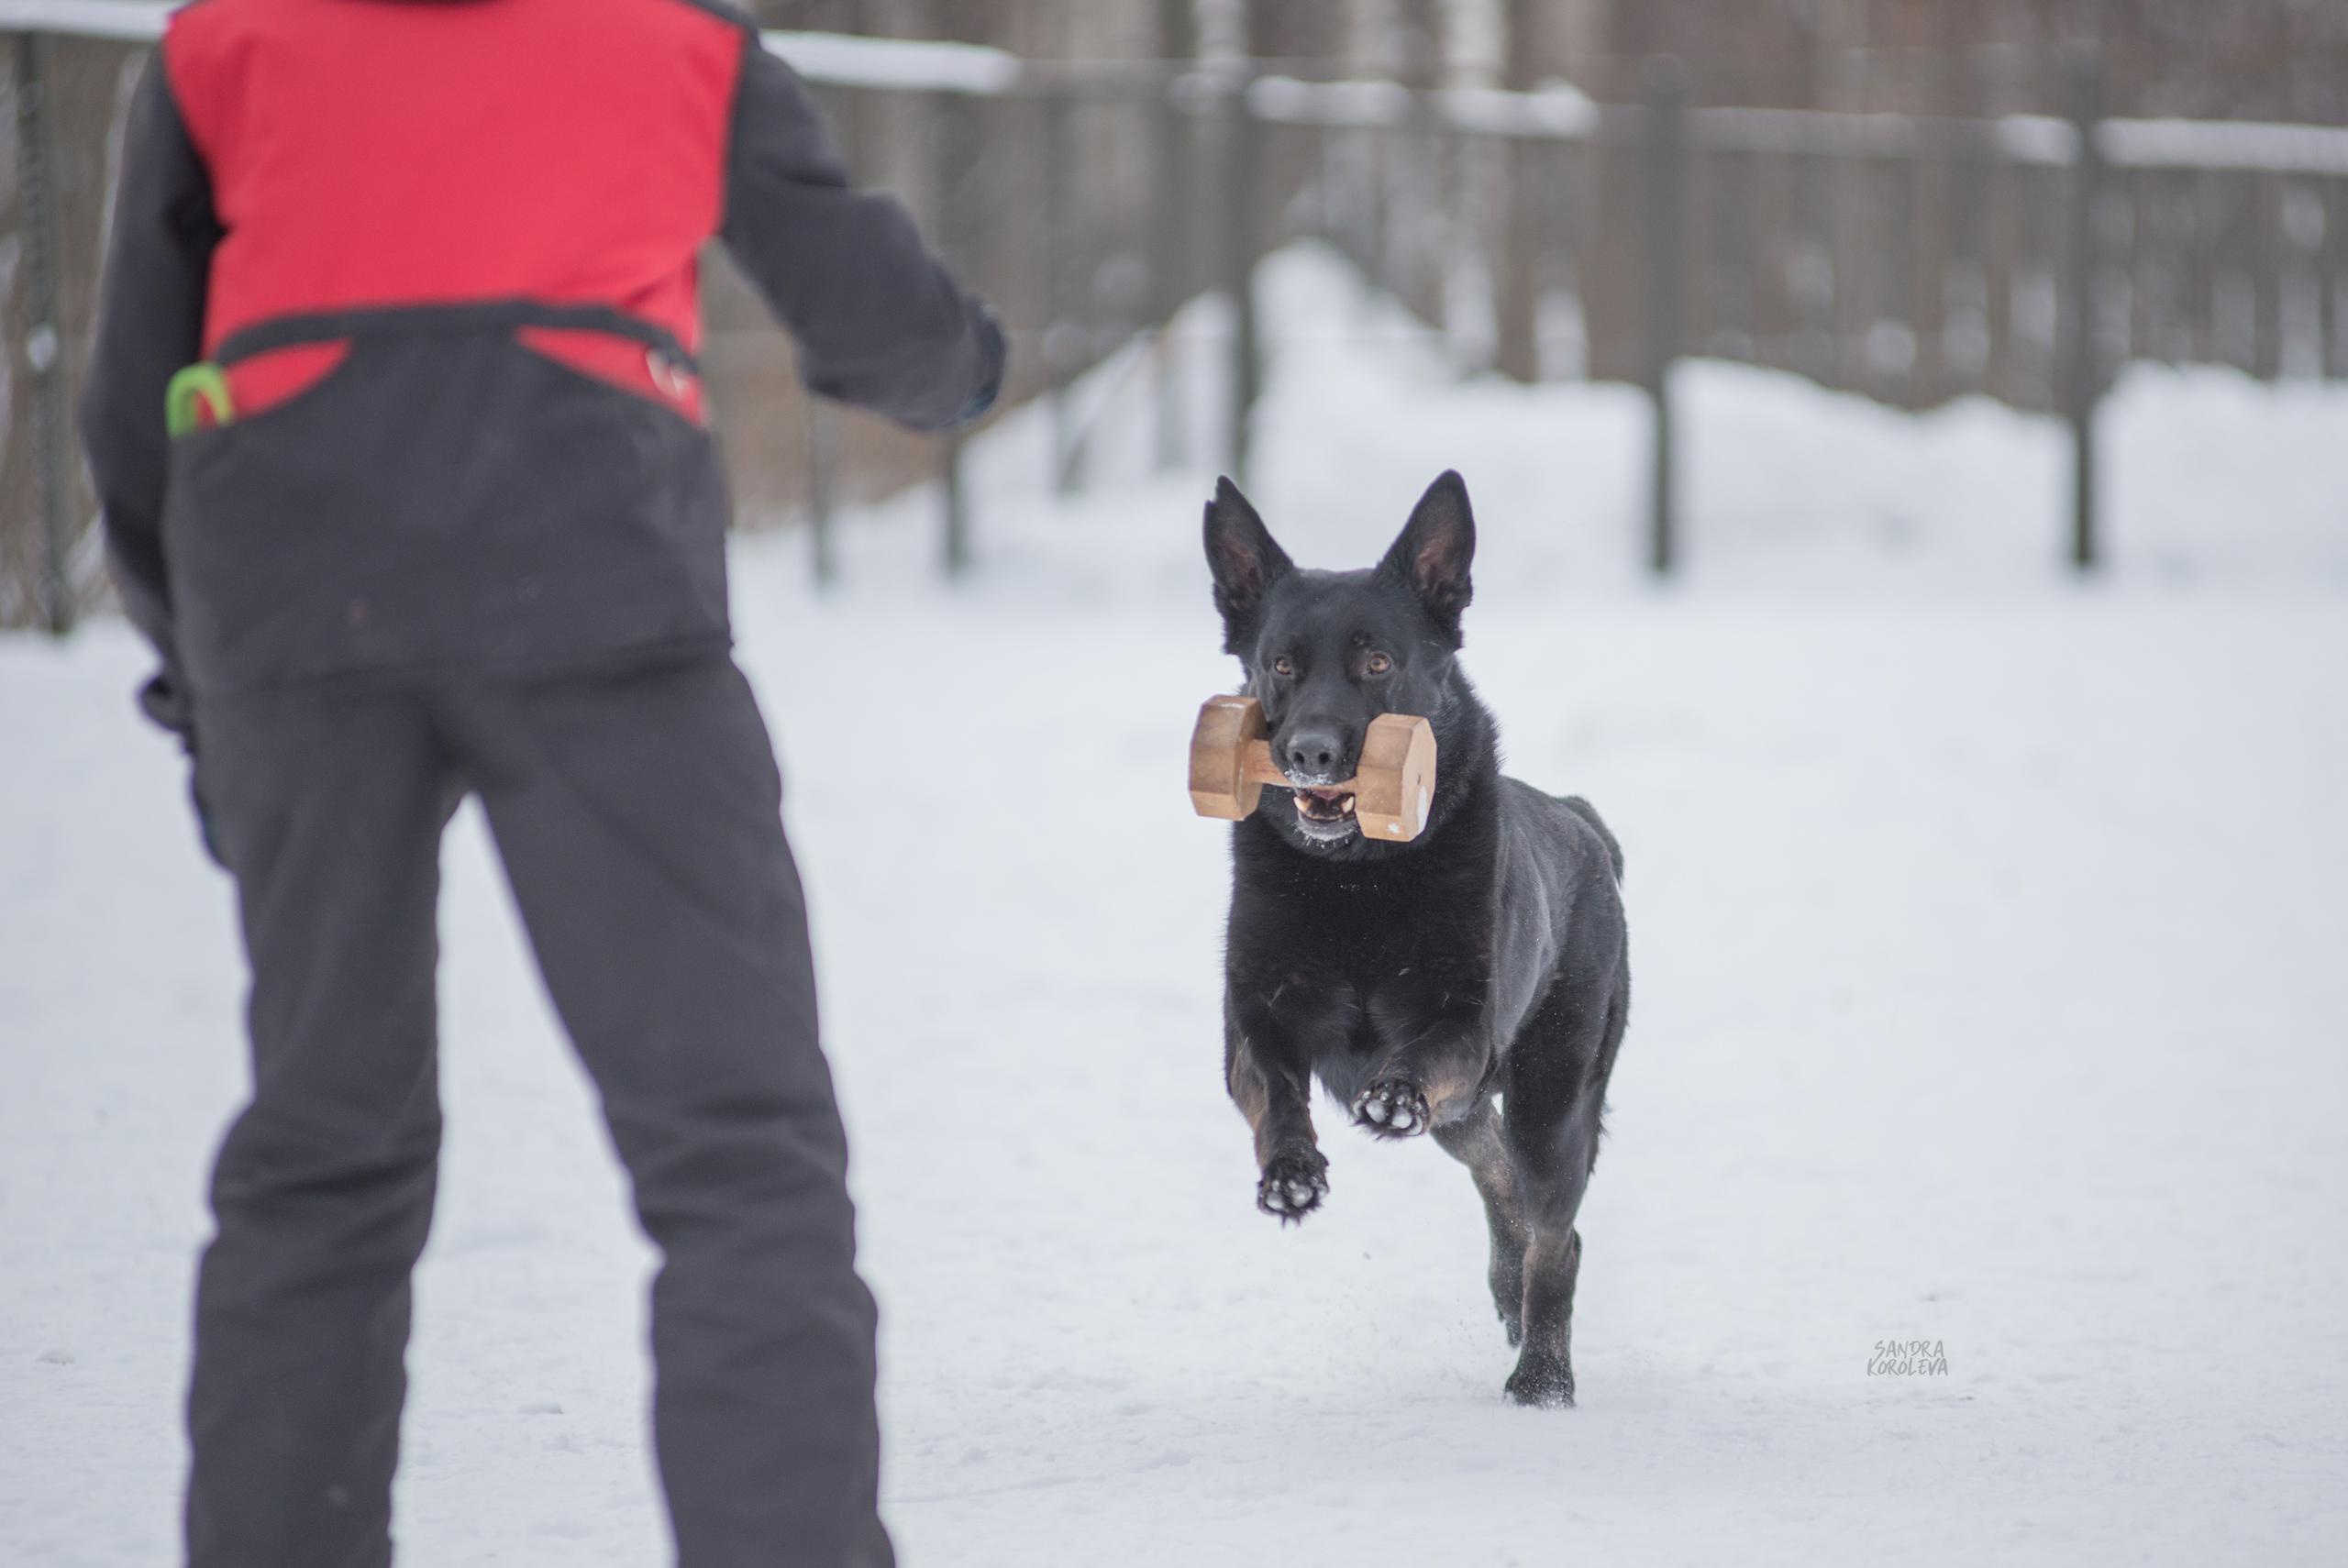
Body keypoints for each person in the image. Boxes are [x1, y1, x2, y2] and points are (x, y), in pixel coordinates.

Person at [79, 1, 1004, 1563]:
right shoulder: (670, 37)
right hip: (592, 578)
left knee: (323, 1149)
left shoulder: (221, 44)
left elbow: (131, 394)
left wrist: (205, 683)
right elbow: (866, 310)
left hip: (292, 584)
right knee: (735, 1148)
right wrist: (961, 364)